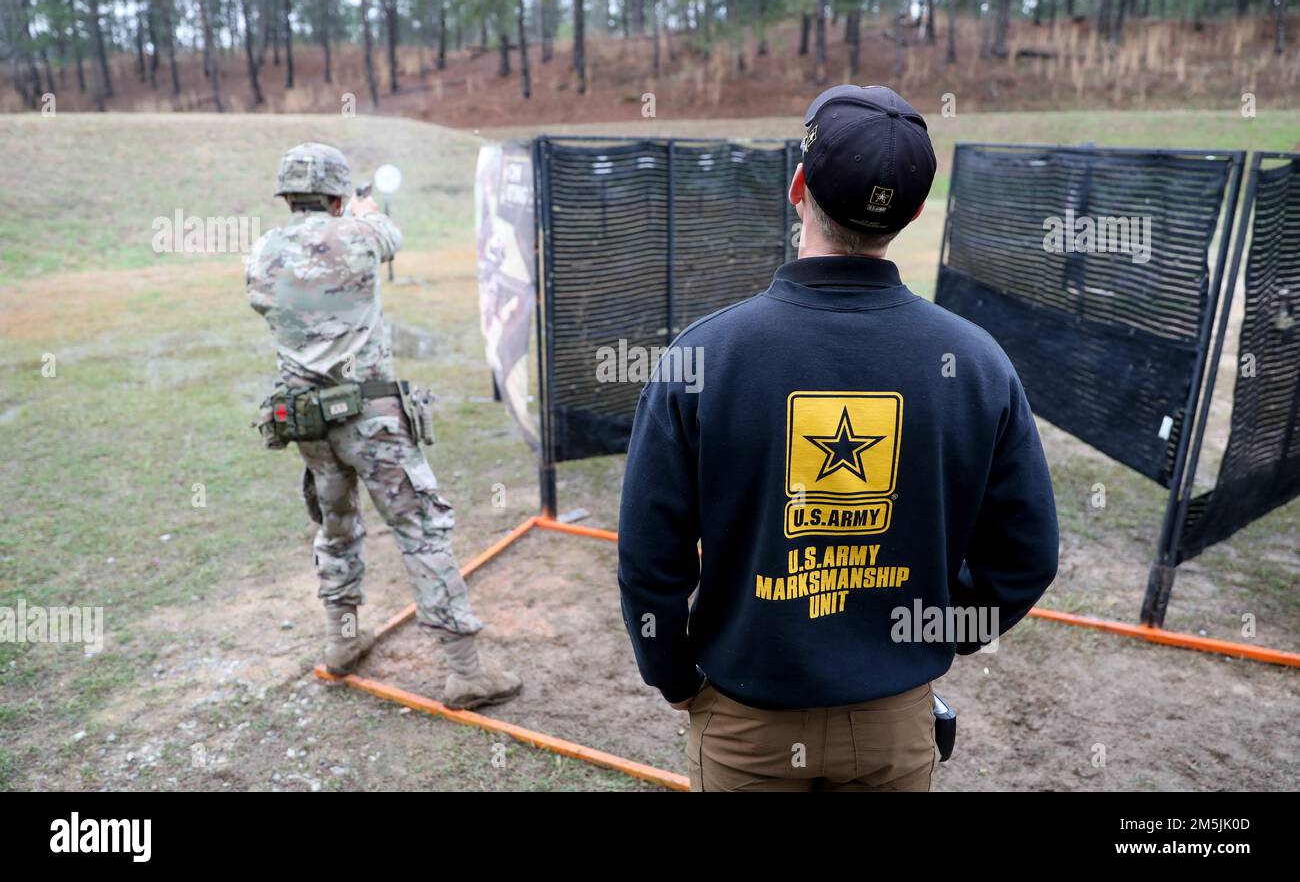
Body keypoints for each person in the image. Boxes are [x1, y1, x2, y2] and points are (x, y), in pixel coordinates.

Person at [617, 86, 1059, 791]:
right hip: (895, 730)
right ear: (915, 213)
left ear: (797, 186)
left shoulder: (703, 358)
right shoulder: (976, 363)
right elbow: (1026, 555)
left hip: (743, 729)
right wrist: (942, 630)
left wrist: (671, 676)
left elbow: (650, 560)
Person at [246, 142, 521, 710]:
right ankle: (465, 671)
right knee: (421, 528)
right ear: (336, 192)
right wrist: (364, 208)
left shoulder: (263, 250)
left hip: (306, 420)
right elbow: (386, 238)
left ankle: (341, 642)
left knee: (336, 528)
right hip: (370, 417)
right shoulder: (362, 233)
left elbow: (273, 301)